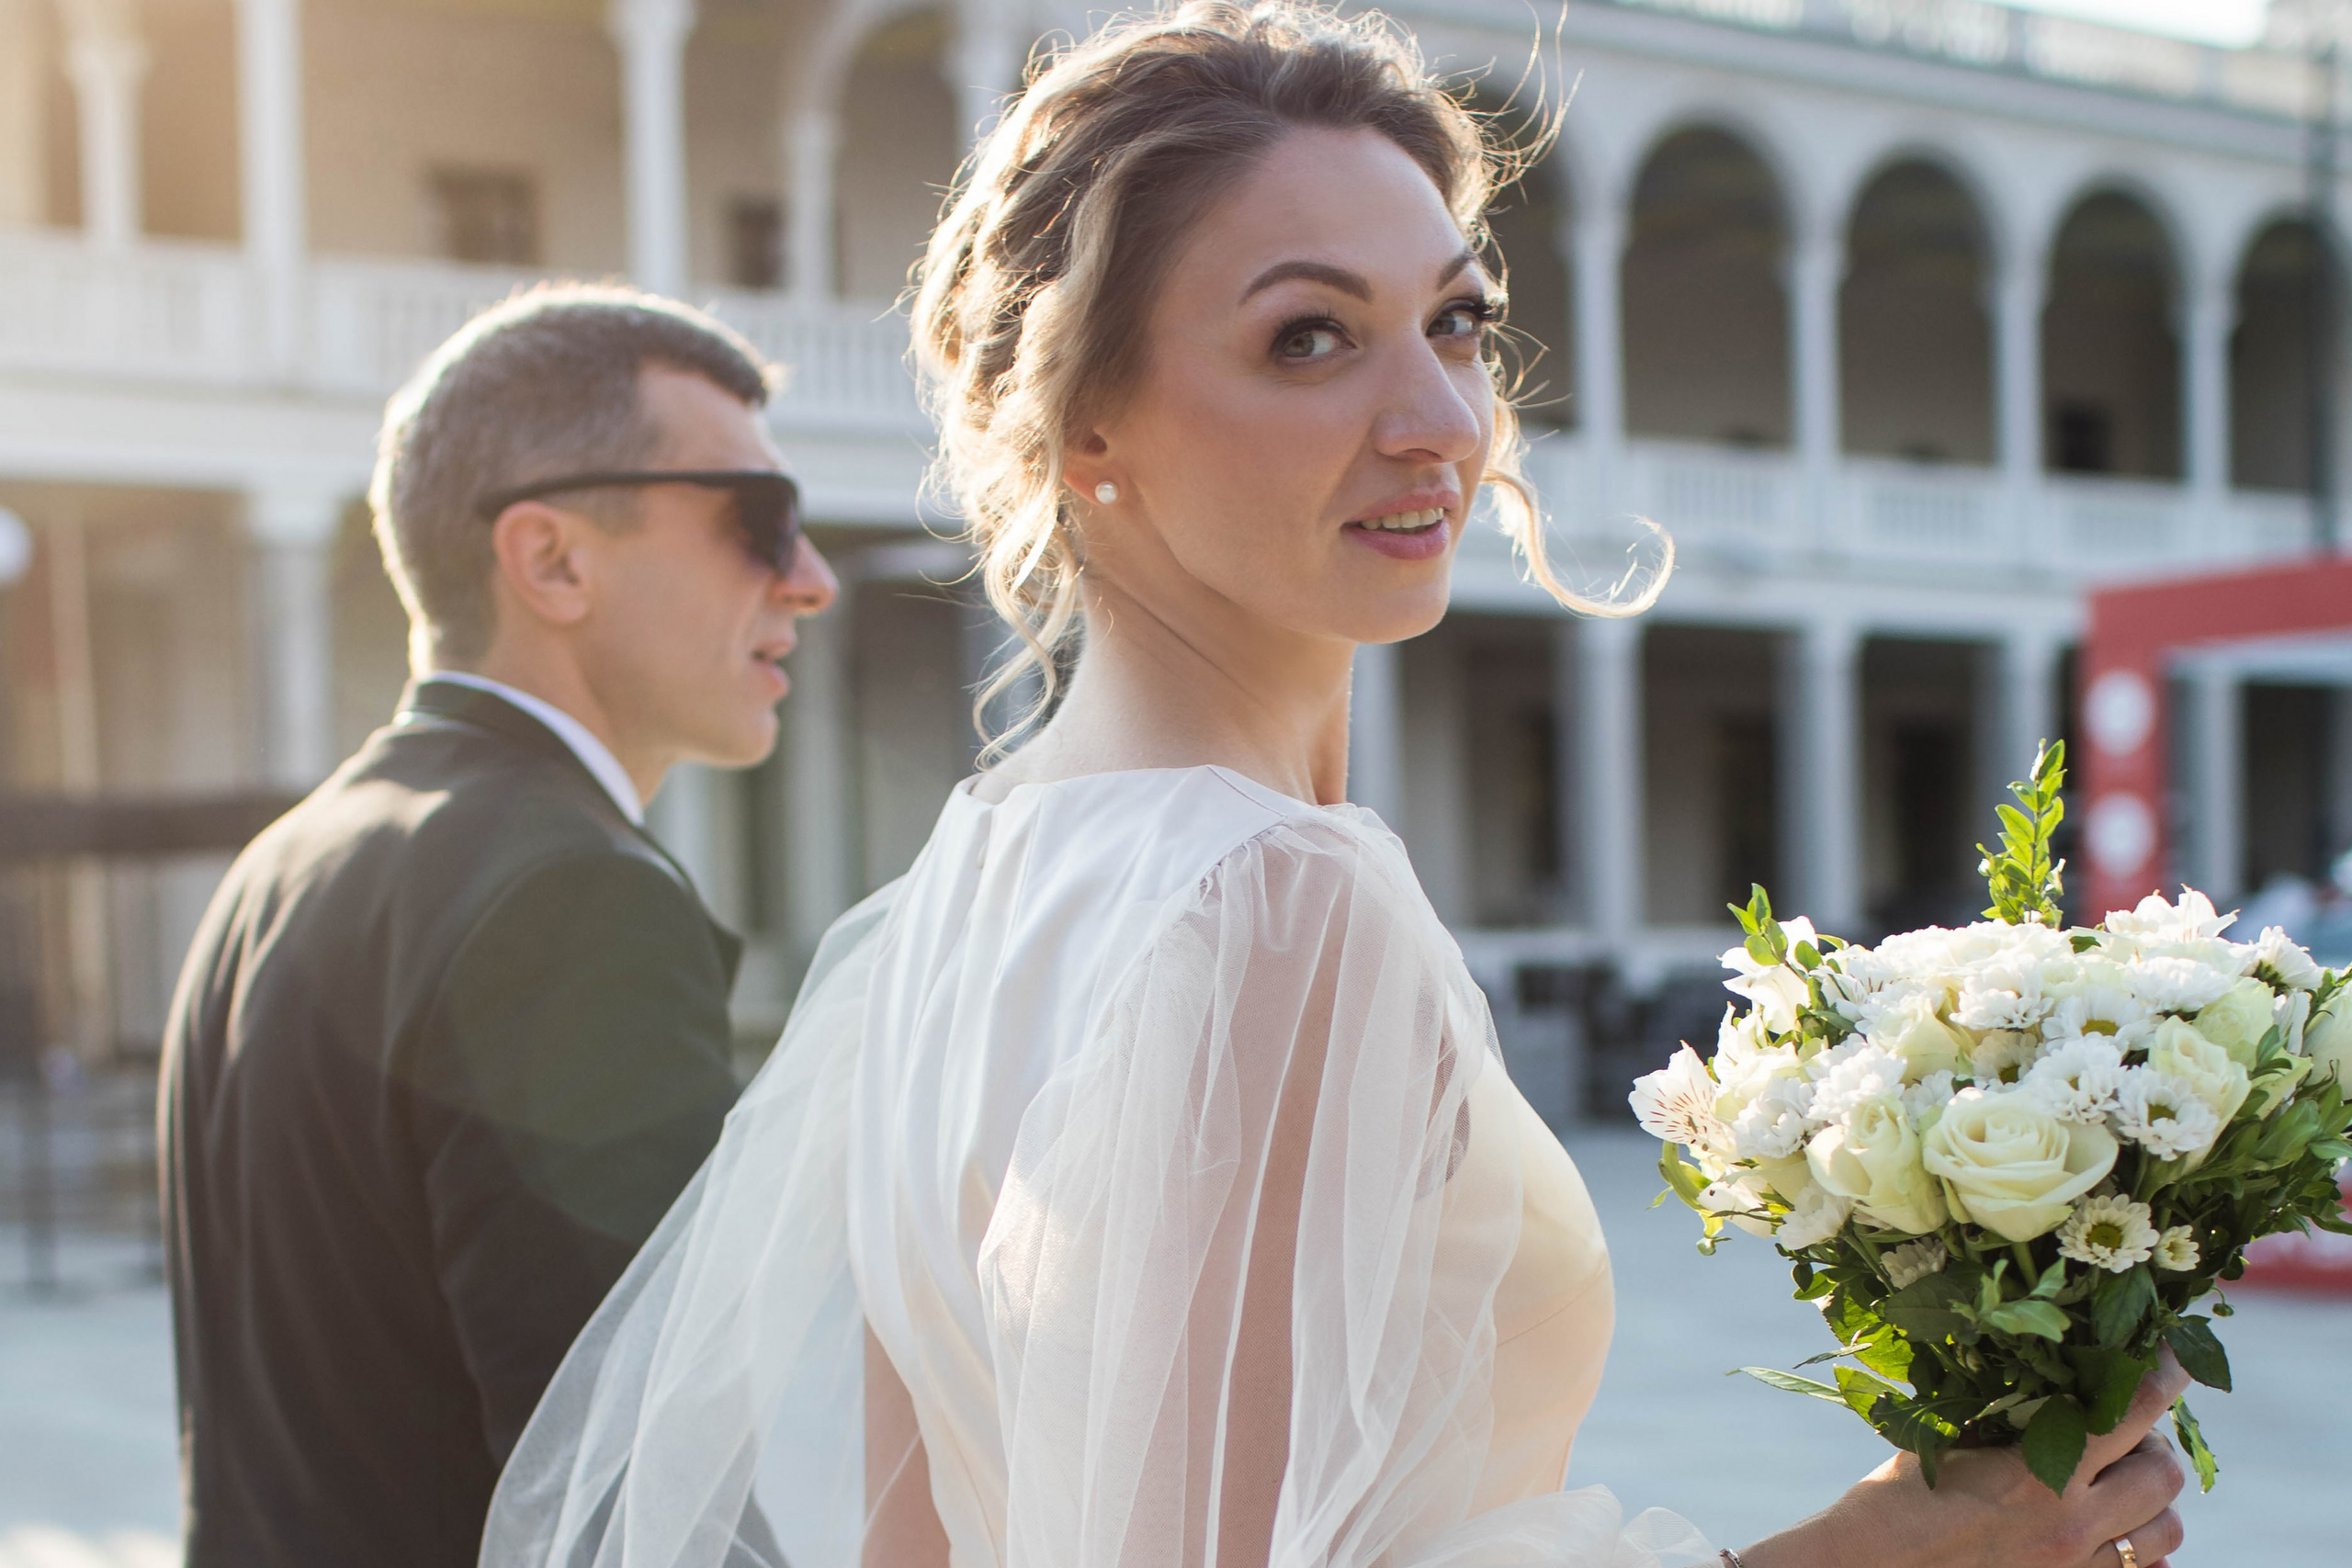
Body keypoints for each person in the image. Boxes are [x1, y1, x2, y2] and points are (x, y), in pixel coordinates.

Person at [482, 9, 2189, 1568]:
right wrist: (1900, 1546)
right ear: (1086, 428)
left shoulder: (967, 876)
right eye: (1309, 339)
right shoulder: (1270, 900)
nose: (1438, 416)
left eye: (1456, 323)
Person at [160, 284, 837, 1568]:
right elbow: (631, 1505)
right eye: (758, 520)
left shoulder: (282, 867)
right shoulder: (575, 903)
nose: (809, 581)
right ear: (553, 558)